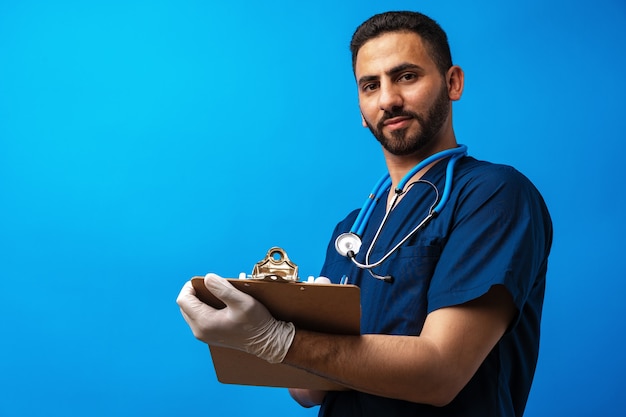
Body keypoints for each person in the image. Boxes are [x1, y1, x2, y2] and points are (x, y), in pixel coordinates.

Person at [177, 10, 553, 417]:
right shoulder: (352, 230)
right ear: (361, 108)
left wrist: (279, 339)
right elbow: (306, 391)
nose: (388, 99)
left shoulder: (493, 195)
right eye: (370, 85)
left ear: (452, 83)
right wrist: (258, 325)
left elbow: (440, 372)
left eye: (407, 76)